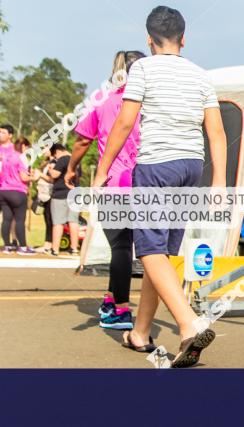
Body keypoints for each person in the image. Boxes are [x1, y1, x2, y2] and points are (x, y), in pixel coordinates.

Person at [94, 6, 225, 367]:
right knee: (161, 254)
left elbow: (124, 122)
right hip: (191, 167)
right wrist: (218, 183)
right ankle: (140, 332)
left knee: (148, 250)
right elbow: (215, 130)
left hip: (156, 165)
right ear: (184, 39)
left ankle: (189, 324)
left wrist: (102, 169)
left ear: (149, 41)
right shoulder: (200, 75)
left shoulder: (143, 68)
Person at [67, 50, 145, 330]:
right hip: (147, 183)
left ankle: (122, 310)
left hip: (114, 184)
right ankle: (113, 300)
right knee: (130, 247)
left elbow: (82, 141)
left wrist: (71, 168)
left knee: (121, 247)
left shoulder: (105, 101)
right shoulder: (149, 103)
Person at [1, 129, 38, 255]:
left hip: (3, 191)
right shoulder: (21, 158)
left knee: (6, 220)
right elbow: (23, 177)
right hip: (17, 191)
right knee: (20, 220)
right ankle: (22, 247)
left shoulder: (6, 157)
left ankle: (7, 246)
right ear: (23, 146)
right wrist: (34, 177)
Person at [43, 143, 81, 255]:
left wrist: (50, 168)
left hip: (61, 194)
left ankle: (55, 249)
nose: (55, 158)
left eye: (55, 155)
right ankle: (74, 248)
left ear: (57, 151)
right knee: (73, 221)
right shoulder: (76, 160)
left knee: (58, 222)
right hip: (75, 194)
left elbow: (54, 175)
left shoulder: (63, 159)